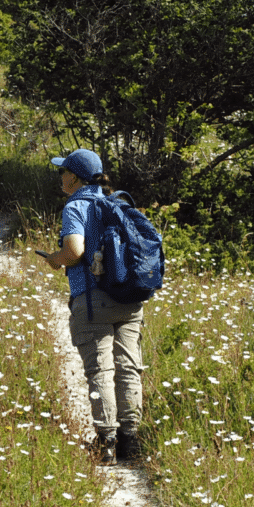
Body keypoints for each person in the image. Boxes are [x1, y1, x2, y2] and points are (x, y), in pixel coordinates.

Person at [36, 148, 145, 462]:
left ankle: (107, 443)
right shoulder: (118, 202)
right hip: (129, 298)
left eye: (63, 171)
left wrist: (56, 260)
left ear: (74, 177)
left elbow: (74, 250)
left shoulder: (76, 206)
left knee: (100, 370)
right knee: (128, 370)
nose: (60, 176)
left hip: (93, 300)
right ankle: (130, 442)